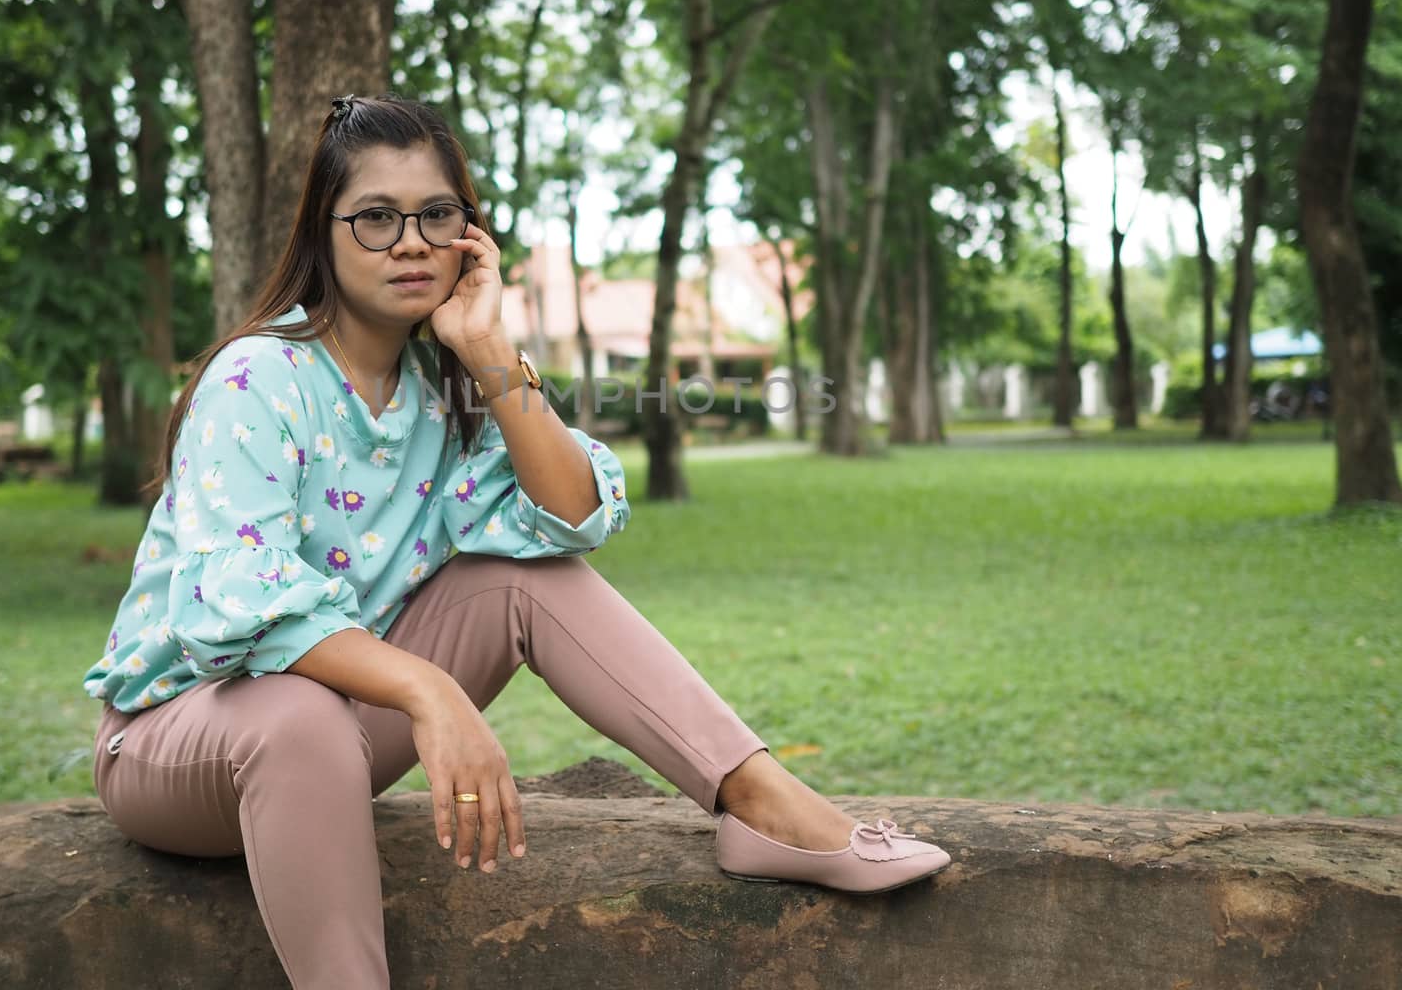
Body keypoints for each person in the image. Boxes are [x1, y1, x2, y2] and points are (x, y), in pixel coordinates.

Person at [83, 94, 950, 988]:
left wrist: (490, 350)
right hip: (178, 741)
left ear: (471, 236)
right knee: (295, 715)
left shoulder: (446, 385)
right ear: (324, 232)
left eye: (437, 215)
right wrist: (429, 692)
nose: (411, 242)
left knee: (525, 576)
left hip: (335, 734)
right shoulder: (260, 375)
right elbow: (242, 604)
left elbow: (572, 515)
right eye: (376, 218)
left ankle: (760, 805)